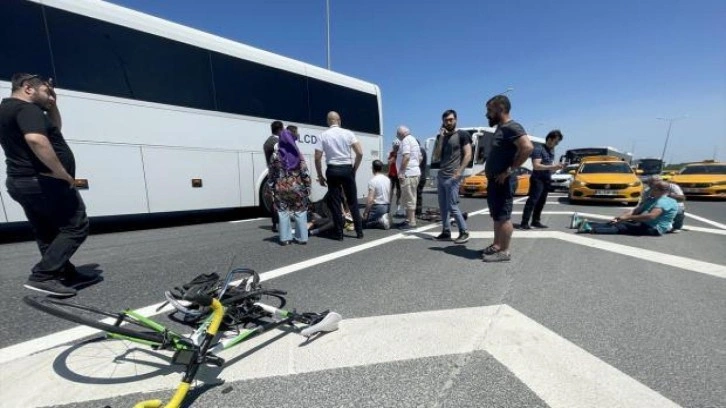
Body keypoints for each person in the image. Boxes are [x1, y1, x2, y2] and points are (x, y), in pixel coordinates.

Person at [0, 74, 95, 297]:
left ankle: (64, 273)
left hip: (20, 182)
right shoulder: (26, 109)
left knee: (46, 231)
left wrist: (52, 104)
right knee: (76, 226)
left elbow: (53, 130)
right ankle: (44, 275)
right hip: (43, 182)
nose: (49, 95)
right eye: (46, 90)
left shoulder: (7, 109)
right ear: (27, 88)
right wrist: (61, 173)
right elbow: (36, 140)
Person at [482, 95, 534, 262]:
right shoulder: (501, 128)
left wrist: (509, 170)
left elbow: (527, 147)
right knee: (497, 216)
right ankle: (497, 245)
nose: (487, 114)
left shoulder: (512, 127)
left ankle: (504, 251)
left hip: (503, 182)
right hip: (495, 181)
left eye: (489, 110)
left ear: (500, 109)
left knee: (503, 216)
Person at [314, 111, 364, 240]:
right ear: (339, 120)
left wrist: (320, 175)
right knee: (352, 201)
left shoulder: (322, 136)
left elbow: (317, 158)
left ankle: (339, 233)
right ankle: (359, 232)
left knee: (335, 203)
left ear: (328, 121)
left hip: (332, 170)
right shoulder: (348, 133)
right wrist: (354, 169)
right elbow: (360, 153)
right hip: (347, 169)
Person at [575, 180, 678, 235]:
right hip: (645, 223)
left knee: (622, 227)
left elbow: (651, 216)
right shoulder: (652, 199)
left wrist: (628, 218)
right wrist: (622, 216)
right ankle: (581, 224)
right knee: (617, 222)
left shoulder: (665, 201)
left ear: (658, 189)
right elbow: (637, 210)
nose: (651, 189)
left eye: (653, 188)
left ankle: (589, 229)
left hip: (655, 229)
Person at [431, 109, 472, 244]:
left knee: (452, 205)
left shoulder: (462, 135)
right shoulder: (440, 137)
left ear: (455, 120)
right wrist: (441, 138)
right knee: (443, 206)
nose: (448, 122)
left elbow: (468, 154)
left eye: (451, 120)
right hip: (441, 175)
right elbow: (436, 156)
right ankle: (446, 231)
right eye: (446, 120)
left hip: (453, 176)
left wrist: (459, 171)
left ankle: (464, 231)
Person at [267, 129, 311, 245]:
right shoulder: (297, 153)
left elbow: (271, 174)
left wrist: (271, 188)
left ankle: (285, 238)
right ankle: (302, 238)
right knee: (300, 211)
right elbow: (305, 172)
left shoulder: (275, 155)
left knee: (283, 212)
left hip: (281, 188)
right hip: (297, 188)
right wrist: (308, 186)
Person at [517, 130, 564, 229]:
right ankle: (524, 223)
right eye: (556, 142)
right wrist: (552, 167)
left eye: (558, 142)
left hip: (546, 178)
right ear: (550, 139)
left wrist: (556, 167)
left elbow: (548, 164)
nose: (556, 144)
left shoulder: (551, 150)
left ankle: (535, 221)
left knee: (541, 201)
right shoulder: (538, 149)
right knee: (533, 201)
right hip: (538, 178)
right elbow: (536, 166)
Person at [395, 126, 421, 229]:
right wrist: (415, 167)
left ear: (401, 134)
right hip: (413, 172)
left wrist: (401, 172)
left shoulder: (405, 141)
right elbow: (420, 157)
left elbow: (406, 156)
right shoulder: (413, 140)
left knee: (409, 197)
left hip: (408, 174)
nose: (397, 136)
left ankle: (412, 222)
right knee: (407, 197)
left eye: (397, 134)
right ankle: (408, 220)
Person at [263, 120, 284, 232]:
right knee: (280, 198)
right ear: (280, 129)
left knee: (274, 198)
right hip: (278, 173)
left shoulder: (267, 142)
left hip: (271, 173)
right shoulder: (277, 142)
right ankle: (280, 223)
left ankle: (275, 223)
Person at [362, 160, 391, 229]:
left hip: (378, 207)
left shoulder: (373, 181)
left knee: (363, 224)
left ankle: (379, 221)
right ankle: (382, 218)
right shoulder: (387, 179)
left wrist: (366, 212)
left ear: (373, 168)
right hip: (387, 206)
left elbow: (370, 199)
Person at [387, 140, 402, 216]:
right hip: (392, 174)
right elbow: (389, 162)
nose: (396, 148)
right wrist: (394, 156)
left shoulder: (401, 153)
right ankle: (388, 208)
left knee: (399, 191)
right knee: (390, 191)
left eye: (397, 147)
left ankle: (398, 207)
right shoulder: (391, 153)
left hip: (398, 174)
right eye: (395, 147)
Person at [415, 138, 428, 217]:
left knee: (417, 194)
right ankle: (418, 211)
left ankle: (418, 212)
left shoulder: (419, 151)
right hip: (422, 175)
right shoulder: (422, 150)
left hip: (419, 175)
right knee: (418, 194)